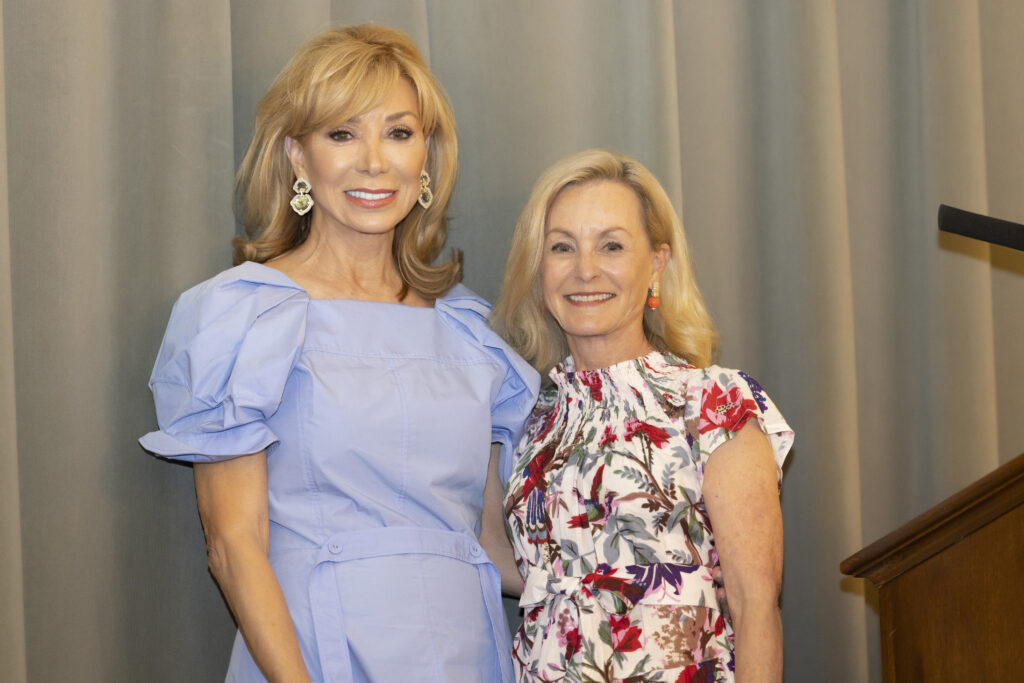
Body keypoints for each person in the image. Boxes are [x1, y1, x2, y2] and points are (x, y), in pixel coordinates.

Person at [139, 24, 538, 683]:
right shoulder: (249, 315)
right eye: (343, 133)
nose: (375, 162)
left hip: (469, 653)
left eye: (400, 133)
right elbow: (233, 547)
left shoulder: (471, 332)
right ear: (298, 156)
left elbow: (493, 545)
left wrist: (642, 589)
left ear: (428, 157)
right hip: (317, 651)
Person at [491, 149, 793, 682]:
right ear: (539, 269)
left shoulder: (713, 403)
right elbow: (523, 568)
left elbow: (755, 608)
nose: (585, 269)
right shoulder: (529, 422)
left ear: (656, 264)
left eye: (611, 245)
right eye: (562, 247)